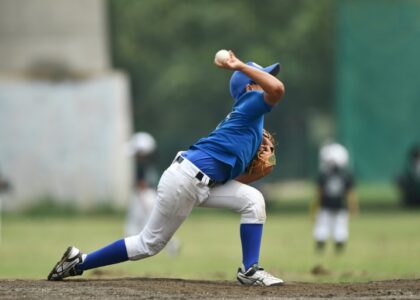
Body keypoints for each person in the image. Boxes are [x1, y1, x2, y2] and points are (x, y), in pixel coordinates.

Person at [47, 50, 286, 286]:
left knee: (253, 201)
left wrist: (266, 167)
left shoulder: (251, 127)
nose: (267, 82)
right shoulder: (250, 103)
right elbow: (278, 89)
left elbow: (230, 182)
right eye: (260, 78)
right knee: (148, 245)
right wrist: (241, 66)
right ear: (249, 87)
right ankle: (79, 261)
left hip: (201, 182)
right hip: (186, 179)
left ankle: (250, 270)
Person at [125, 132, 180, 256]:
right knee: (141, 225)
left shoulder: (143, 165)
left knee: (147, 225)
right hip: (146, 194)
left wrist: (140, 195)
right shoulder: (149, 163)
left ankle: (172, 245)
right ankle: (171, 245)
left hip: (144, 195)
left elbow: (142, 184)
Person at [311, 142, 358, 253]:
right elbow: (350, 193)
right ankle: (339, 245)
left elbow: (319, 192)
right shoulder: (346, 174)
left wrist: (314, 206)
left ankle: (321, 245)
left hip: (325, 205)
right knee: (340, 226)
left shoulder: (324, 174)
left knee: (323, 225)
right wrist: (353, 205)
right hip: (340, 206)